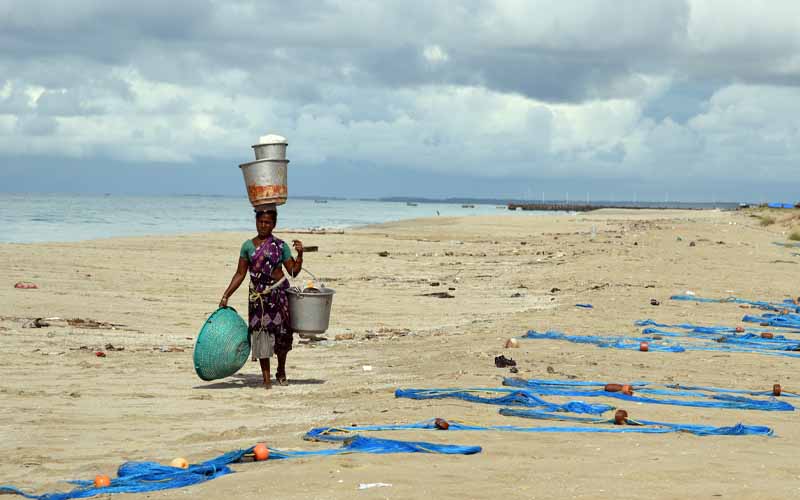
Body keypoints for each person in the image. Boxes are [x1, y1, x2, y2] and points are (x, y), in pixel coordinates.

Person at [220, 209, 303, 389]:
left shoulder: (281, 246)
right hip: (258, 298)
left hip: (279, 295)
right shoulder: (248, 247)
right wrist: (226, 295)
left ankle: (281, 370)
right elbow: (240, 274)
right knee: (260, 335)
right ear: (256, 222)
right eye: (261, 222)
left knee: (282, 336)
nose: (263, 225)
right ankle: (266, 379)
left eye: (267, 222)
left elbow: (293, 272)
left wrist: (300, 255)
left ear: (273, 224)